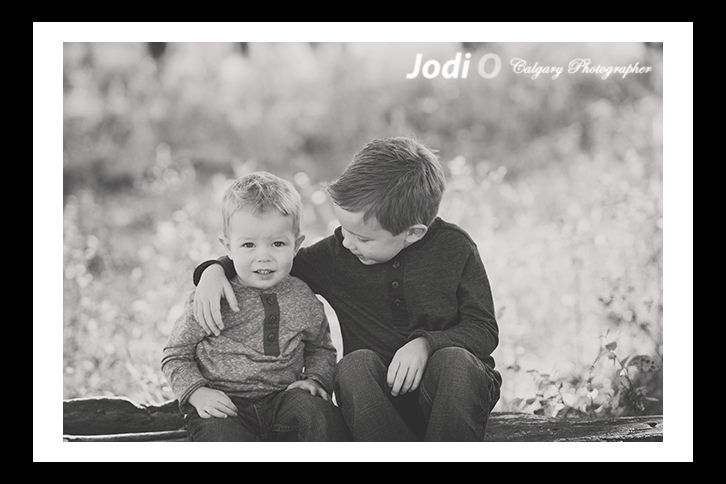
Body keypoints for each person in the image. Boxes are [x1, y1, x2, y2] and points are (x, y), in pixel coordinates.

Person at [193, 137, 502, 441]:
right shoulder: (338, 254)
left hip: (451, 394)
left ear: (412, 234)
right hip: (377, 400)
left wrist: (426, 344)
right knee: (353, 366)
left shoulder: (454, 248)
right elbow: (274, 261)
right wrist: (214, 269)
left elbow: (484, 328)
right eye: (344, 229)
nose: (347, 242)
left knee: (455, 362)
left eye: (363, 238)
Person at [161, 172, 349, 442]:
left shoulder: (303, 297)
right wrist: (197, 392)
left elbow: (321, 348)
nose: (264, 256)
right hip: (223, 402)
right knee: (221, 435)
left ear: (296, 245)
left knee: (319, 415)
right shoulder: (213, 295)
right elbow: (175, 355)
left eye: (278, 244)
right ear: (228, 247)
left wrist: (316, 379)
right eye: (248, 244)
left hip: (283, 399)